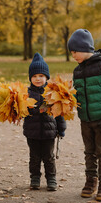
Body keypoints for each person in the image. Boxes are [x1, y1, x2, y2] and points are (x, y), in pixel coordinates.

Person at [68, 29, 101, 201]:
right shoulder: (77, 71)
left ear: (85, 48)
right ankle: (91, 181)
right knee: (89, 152)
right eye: (71, 52)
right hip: (85, 120)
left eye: (74, 51)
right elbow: (77, 95)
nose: (73, 55)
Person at [23, 52, 66, 191]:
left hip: (49, 132)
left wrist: (61, 128)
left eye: (41, 76)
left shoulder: (53, 93)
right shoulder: (26, 94)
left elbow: (59, 113)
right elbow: (22, 111)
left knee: (49, 157)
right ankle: (34, 178)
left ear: (46, 77)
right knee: (34, 157)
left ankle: (51, 178)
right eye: (34, 76)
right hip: (32, 131)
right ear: (30, 78)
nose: (37, 79)